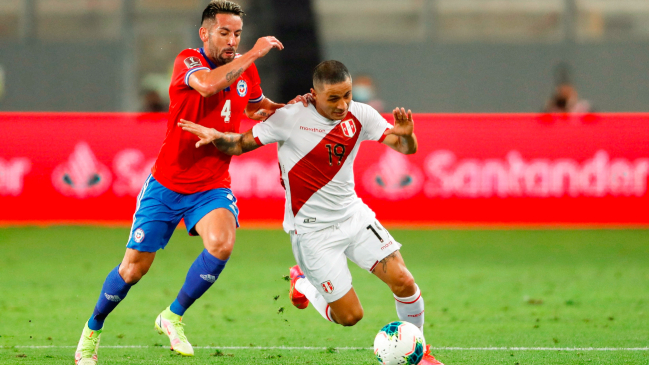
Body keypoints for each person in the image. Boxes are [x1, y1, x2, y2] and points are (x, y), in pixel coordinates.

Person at [74, 1, 308, 363]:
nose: (232, 40)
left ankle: (172, 315)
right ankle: (92, 330)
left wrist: (288, 106)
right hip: (167, 184)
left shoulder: (244, 70)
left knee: (222, 244)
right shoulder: (188, 61)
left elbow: (254, 107)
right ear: (205, 33)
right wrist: (255, 52)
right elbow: (208, 86)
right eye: (224, 32)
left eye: (238, 35)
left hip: (211, 184)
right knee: (133, 270)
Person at [179, 60, 444, 365]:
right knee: (350, 316)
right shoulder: (290, 118)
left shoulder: (360, 114)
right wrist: (216, 136)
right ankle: (302, 280)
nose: (343, 104)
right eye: (333, 98)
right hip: (312, 232)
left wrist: (407, 135)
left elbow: (404, 147)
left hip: (353, 216)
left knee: (404, 281)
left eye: (347, 95)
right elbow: (240, 144)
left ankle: (420, 352)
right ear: (313, 95)